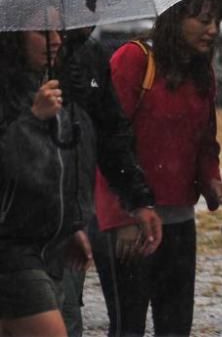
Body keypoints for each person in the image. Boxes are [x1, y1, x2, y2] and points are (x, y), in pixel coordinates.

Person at [92, 0, 222, 337]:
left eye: (217, 22)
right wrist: (120, 216)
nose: (212, 30)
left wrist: (212, 182)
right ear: (174, 18)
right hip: (131, 219)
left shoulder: (203, 74)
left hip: (179, 220)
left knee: (175, 325)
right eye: (203, 20)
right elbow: (107, 141)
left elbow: (205, 143)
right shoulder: (134, 60)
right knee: (129, 326)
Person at [57, 27, 163, 337]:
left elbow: (111, 133)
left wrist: (137, 199)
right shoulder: (15, 53)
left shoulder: (87, 55)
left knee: (64, 316)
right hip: (18, 222)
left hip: (65, 216)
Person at [0, 0, 93, 337]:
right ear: (12, 35)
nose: (56, 39)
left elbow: (54, 167)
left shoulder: (44, 87)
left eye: (57, 29)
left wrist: (69, 224)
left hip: (46, 249)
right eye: (42, 30)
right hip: (11, 252)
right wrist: (32, 119)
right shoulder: (16, 96)